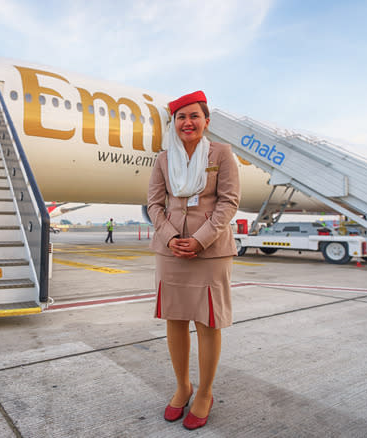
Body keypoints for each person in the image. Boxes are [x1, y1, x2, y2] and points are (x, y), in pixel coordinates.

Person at [147, 90, 240, 430]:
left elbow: (229, 202)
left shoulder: (222, 153)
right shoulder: (162, 159)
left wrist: (200, 241)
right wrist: (170, 237)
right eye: (181, 117)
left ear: (206, 121)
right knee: (175, 319)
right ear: (174, 123)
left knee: (207, 322)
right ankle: (182, 385)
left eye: (194, 116)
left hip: (210, 250)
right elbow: (154, 204)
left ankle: (204, 391)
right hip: (171, 249)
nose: (188, 122)